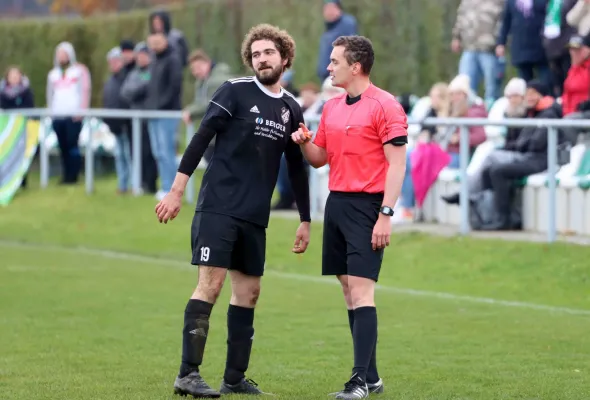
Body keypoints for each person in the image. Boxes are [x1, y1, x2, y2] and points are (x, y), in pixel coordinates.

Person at [154, 23, 311, 398]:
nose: (261, 59)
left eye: (268, 52)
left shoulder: (291, 107)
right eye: (255, 54)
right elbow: (200, 138)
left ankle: (235, 378)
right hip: (219, 208)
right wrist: (177, 191)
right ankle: (187, 374)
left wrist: (305, 219)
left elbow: (296, 166)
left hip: (255, 216)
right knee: (211, 284)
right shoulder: (234, 91)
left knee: (250, 293)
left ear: (285, 57)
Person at [292, 35, 408, 399]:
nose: (328, 67)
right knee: (347, 290)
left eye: (334, 61)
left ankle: (358, 381)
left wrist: (385, 215)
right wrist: (303, 143)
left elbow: (397, 166)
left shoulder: (386, 106)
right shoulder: (332, 107)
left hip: (368, 207)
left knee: (361, 291)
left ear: (355, 66)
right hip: (337, 205)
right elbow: (319, 158)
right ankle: (371, 377)